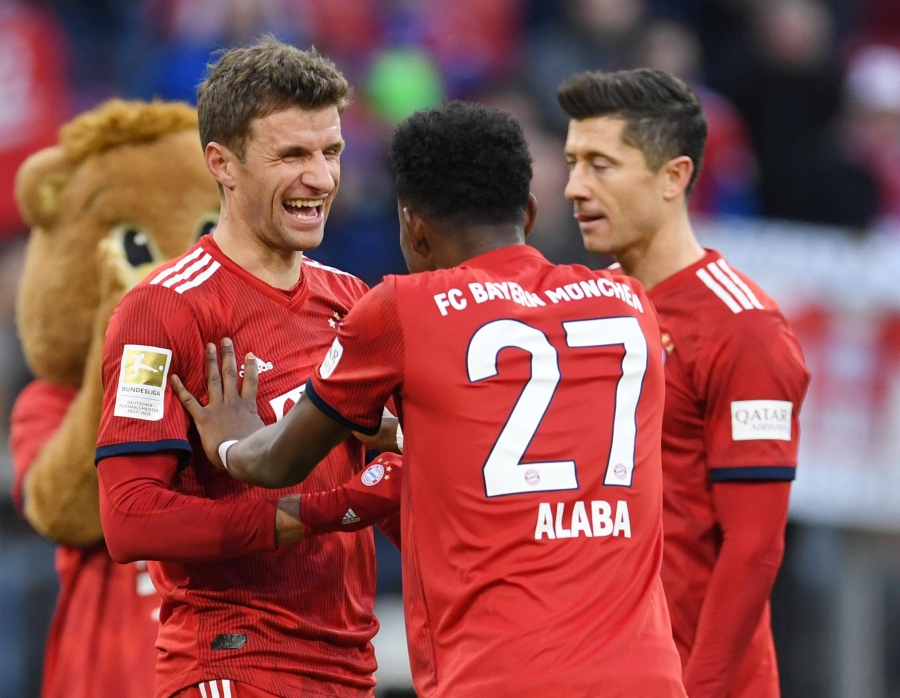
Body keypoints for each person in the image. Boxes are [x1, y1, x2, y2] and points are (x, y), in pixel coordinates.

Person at [171, 101, 686, 698]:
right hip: (647, 676)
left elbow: (276, 463)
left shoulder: (402, 309)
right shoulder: (628, 302)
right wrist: (403, 431)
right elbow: (533, 428)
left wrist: (233, 441)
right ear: (529, 212)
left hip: (499, 677)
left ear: (412, 226)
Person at [94, 38, 401, 698]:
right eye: (292, 154)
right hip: (234, 660)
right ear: (222, 164)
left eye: (332, 152)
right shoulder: (161, 313)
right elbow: (130, 519)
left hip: (348, 667)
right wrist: (322, 509)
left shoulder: (355, 302)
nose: (320, 178)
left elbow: (407, 483)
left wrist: (396, 458)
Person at [558, 68, 810, 698]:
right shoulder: (584, 309)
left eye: (600, 165)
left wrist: (699, 688)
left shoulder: (744, 328)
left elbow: (755, 547)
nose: (573, 187)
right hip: (596, 667)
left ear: (673, 177)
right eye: (571, 162)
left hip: (696, 677)